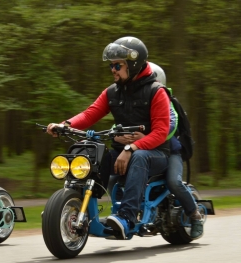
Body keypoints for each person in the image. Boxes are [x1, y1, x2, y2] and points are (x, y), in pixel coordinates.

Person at [47, 36, 170, 240]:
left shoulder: (156, 92)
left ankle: (127, 218)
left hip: (156, 154)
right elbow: (90, 114)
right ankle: (79, 205)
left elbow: (160, 133)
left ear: (133, 64)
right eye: (111, 66)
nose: (113, 69)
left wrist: (131, 148)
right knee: (92, 151)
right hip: (126, 150)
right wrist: (66, 124)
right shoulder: (112, 92)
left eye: (117, 65)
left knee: (139, 157)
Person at [126, 62, 204, 238]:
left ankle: (195, 215)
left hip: (171, 153)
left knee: (174, 182)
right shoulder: (137, 102)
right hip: (146, 151)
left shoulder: (164, 99)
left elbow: (169, 125)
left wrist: (144, 137)